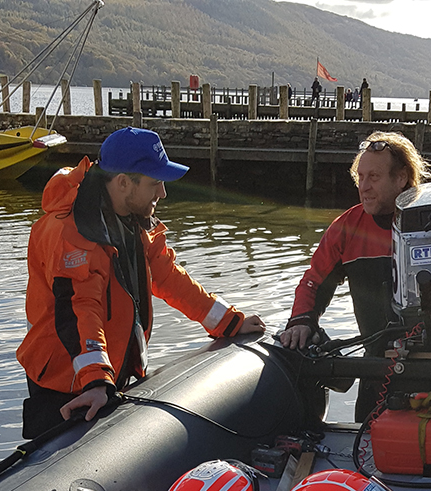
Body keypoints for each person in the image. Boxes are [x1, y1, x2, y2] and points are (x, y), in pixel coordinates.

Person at [18, 126, 266, 438]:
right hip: (64, 380)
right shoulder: (70, 232)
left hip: (105, 371)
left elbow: (168, 277)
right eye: (155, 182)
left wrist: (229, 322)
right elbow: (80, 309)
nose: (162, 193)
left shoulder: (132, 217)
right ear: (123, 183)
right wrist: (95, 381)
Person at [280, 130, 431, 421]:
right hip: (376, 369)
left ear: (401, 178)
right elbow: (313, 282)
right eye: (360, 177)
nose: (364, 187)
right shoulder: (347, 227)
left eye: (373, 177)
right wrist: (301, 320)